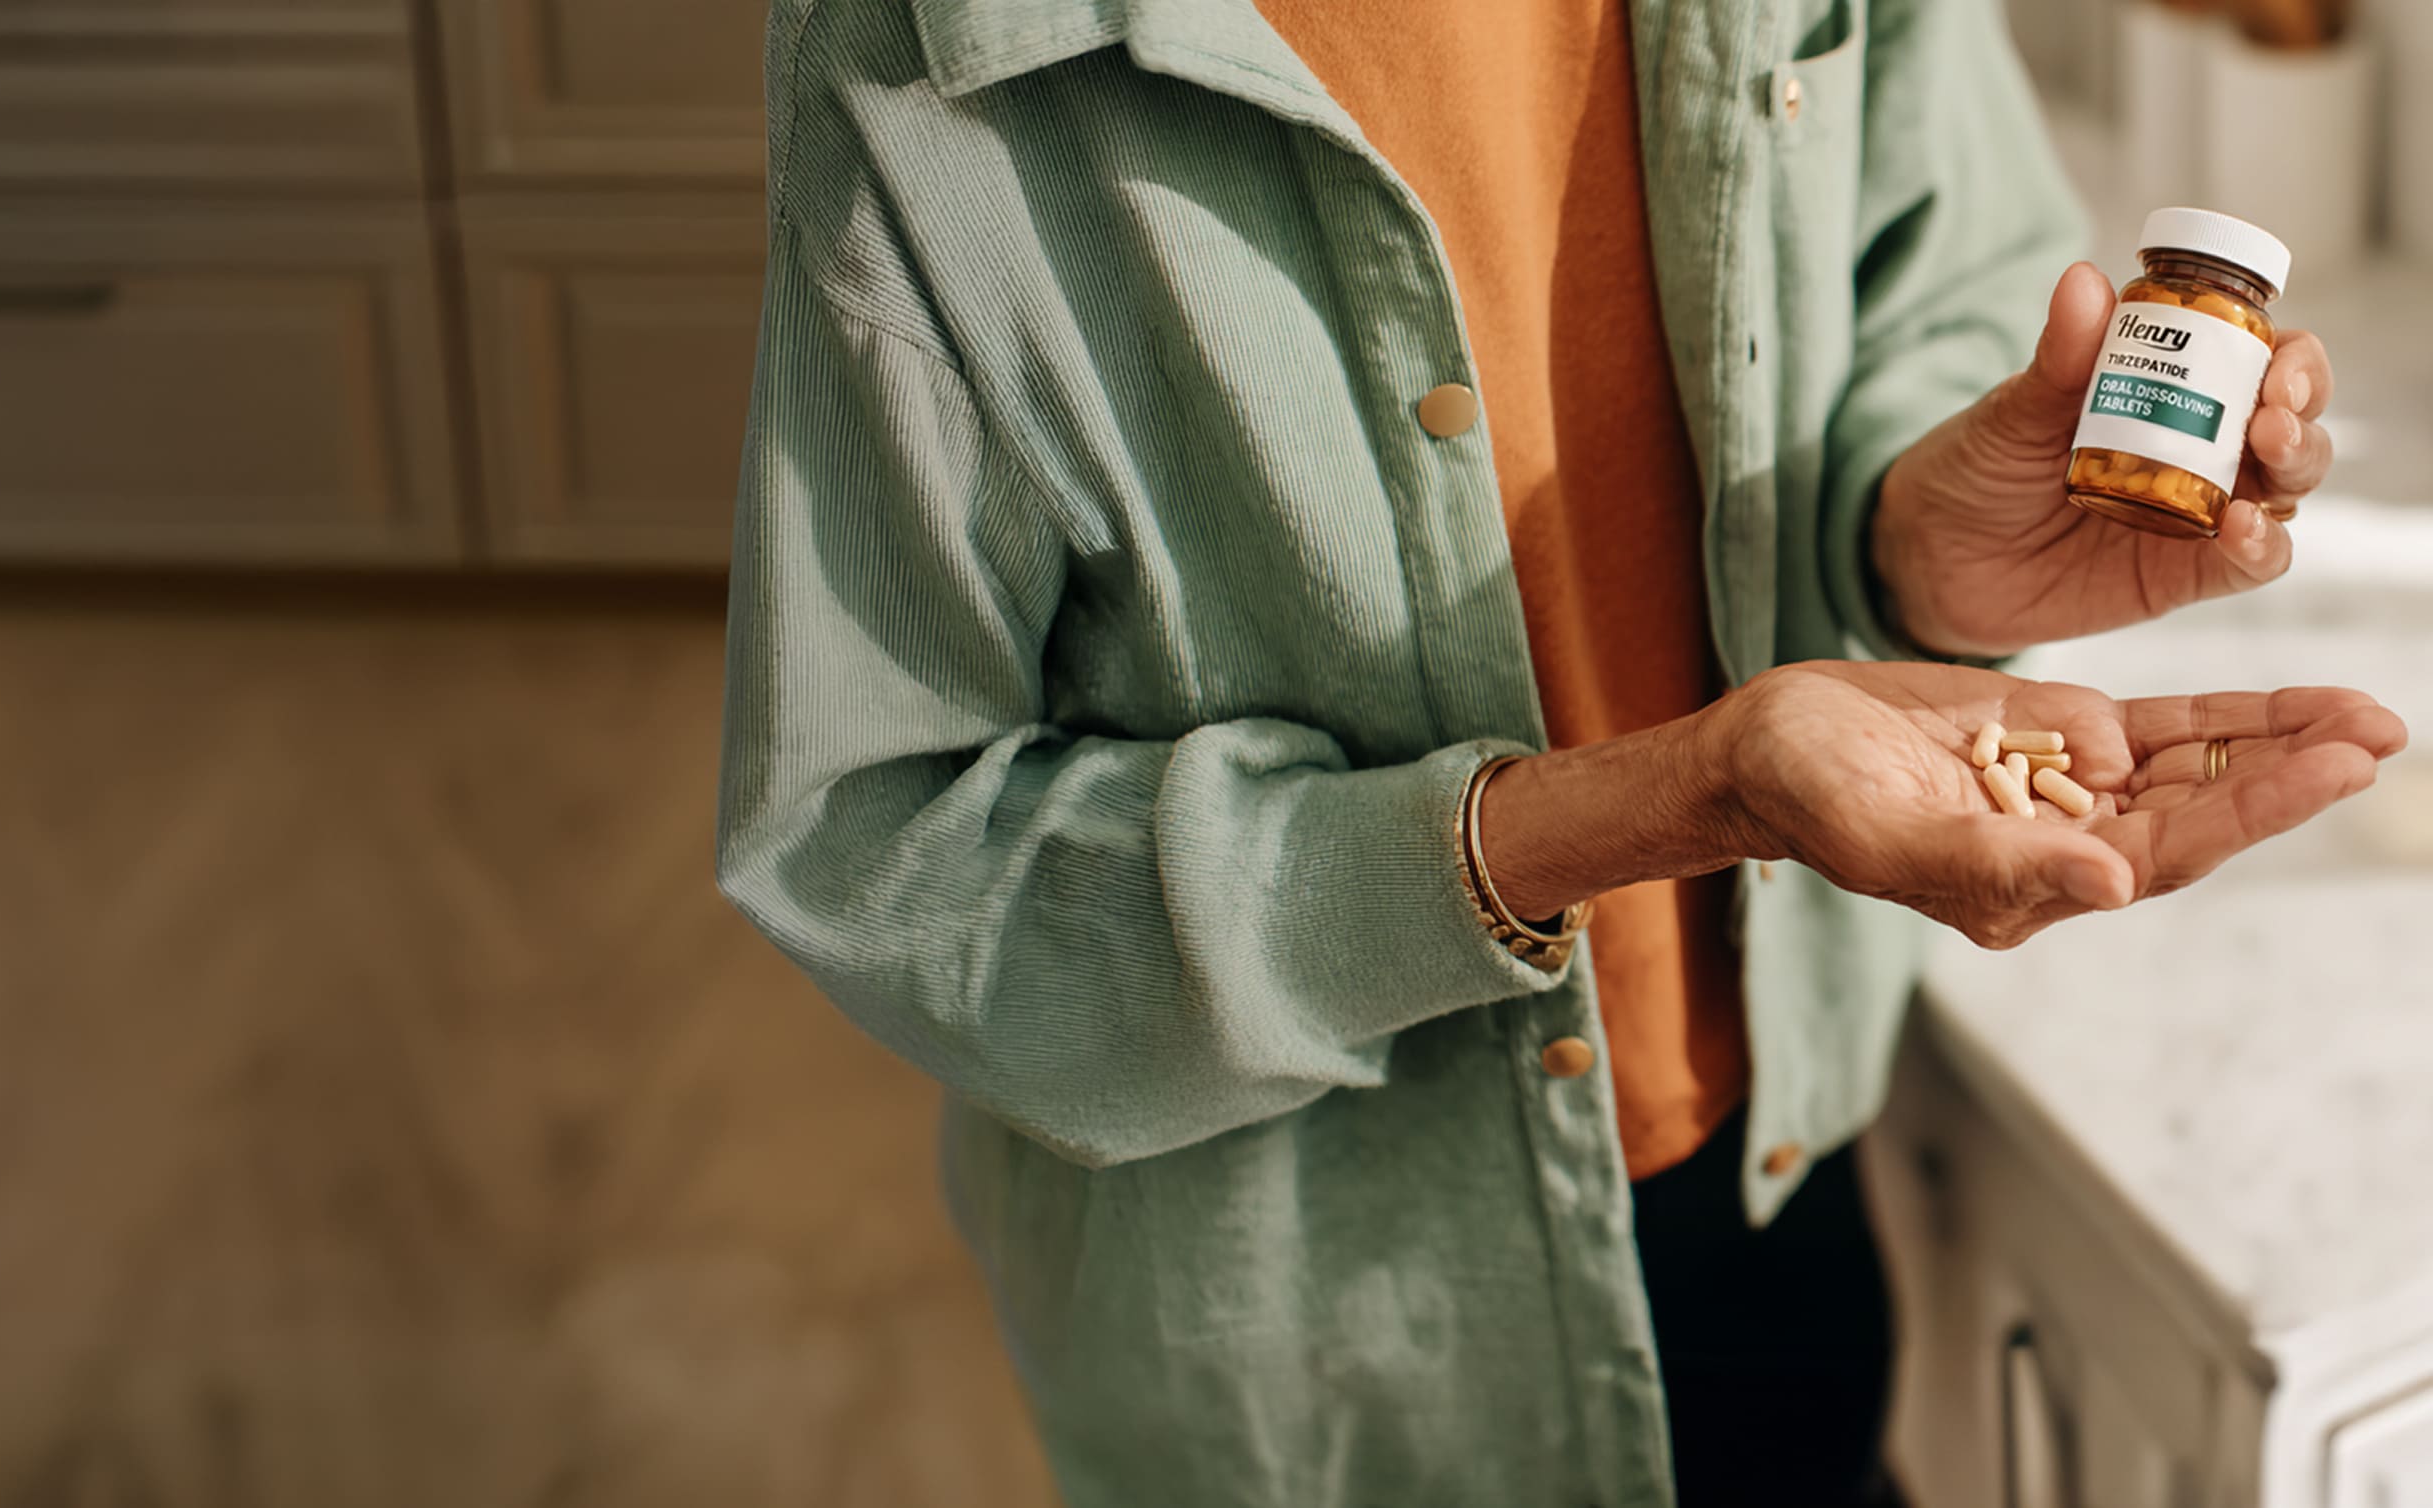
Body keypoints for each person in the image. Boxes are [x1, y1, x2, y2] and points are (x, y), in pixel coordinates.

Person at [718, 0, 2406, 1501]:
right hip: (1318, 1321)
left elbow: (1943, 280)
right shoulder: (924, 50)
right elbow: (887, 849)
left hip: (1774, 1140)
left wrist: (1913, 548)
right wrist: (1616, 811)